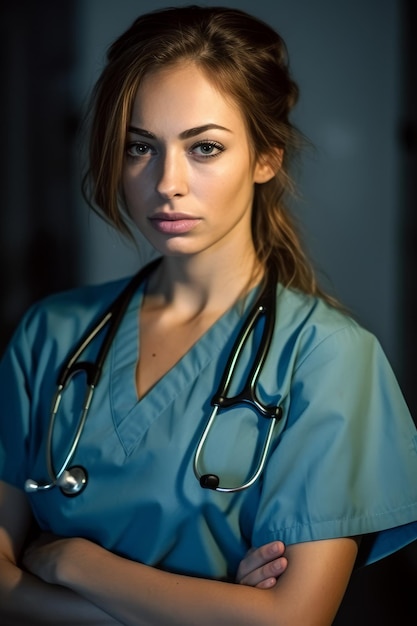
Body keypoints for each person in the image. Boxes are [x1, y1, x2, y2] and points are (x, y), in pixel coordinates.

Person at [1, 5, 416, 625]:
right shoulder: (50, 334)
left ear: (265, 158)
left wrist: (68, 563)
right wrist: (209, 608)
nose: (167, 182)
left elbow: (290, 620)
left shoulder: (328, 356)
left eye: (204, 148)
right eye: (141, 146)